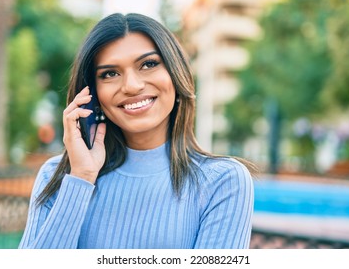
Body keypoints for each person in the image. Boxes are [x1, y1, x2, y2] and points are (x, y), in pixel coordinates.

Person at [19, 13, 255, 249]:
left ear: (176, 74)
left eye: (148, 64)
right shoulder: (57, 176)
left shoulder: (223, 182)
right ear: (92, 94)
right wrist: (81, 177)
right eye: (110, 74)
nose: (132, 86)